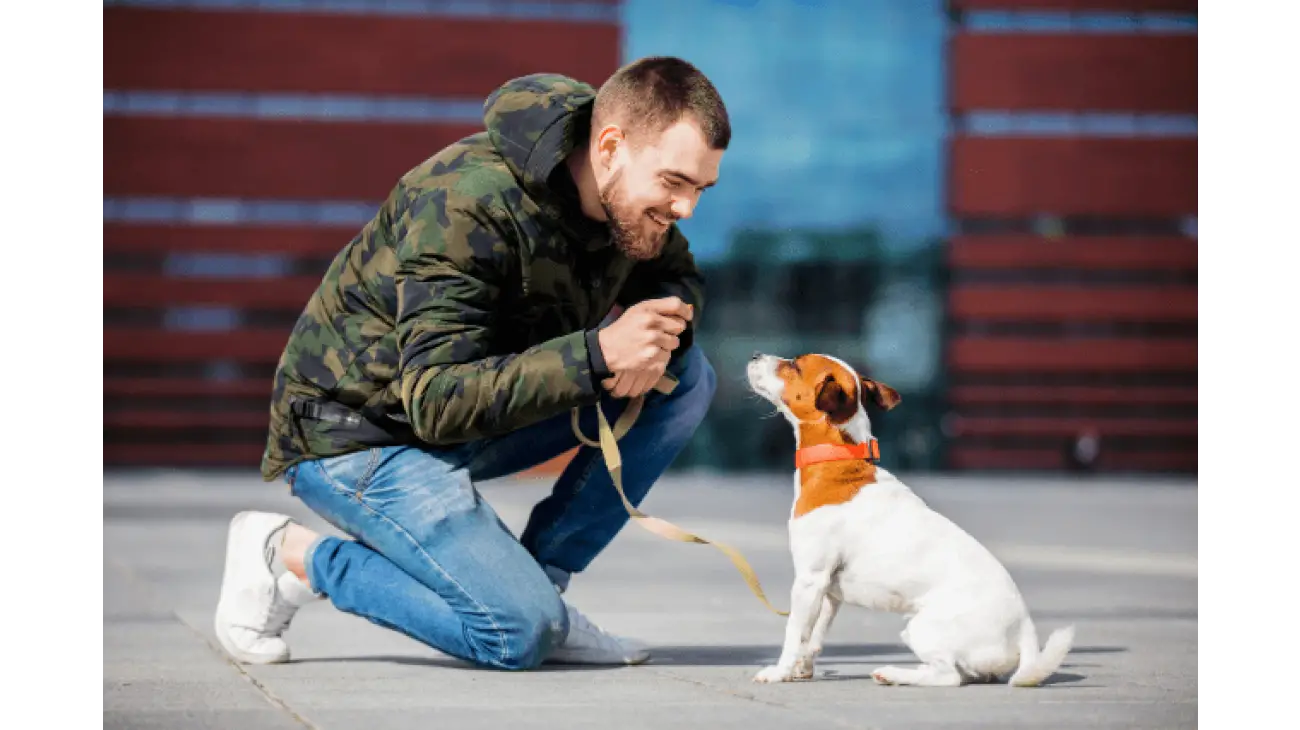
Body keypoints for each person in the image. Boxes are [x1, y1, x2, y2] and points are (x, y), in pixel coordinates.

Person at [213, 56, 729, 671]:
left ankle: (542, 586)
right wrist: (596, 355)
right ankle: (291, 557)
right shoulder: (465, 203)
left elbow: (676, 279)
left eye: (701, 188)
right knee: (515, 636)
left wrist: (656, 334)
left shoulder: (629, 206)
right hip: (359, 437)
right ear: (611, 146)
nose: (687, 208)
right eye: (674, 183)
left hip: (471, 421)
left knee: (686, 378)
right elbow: (433, 399)